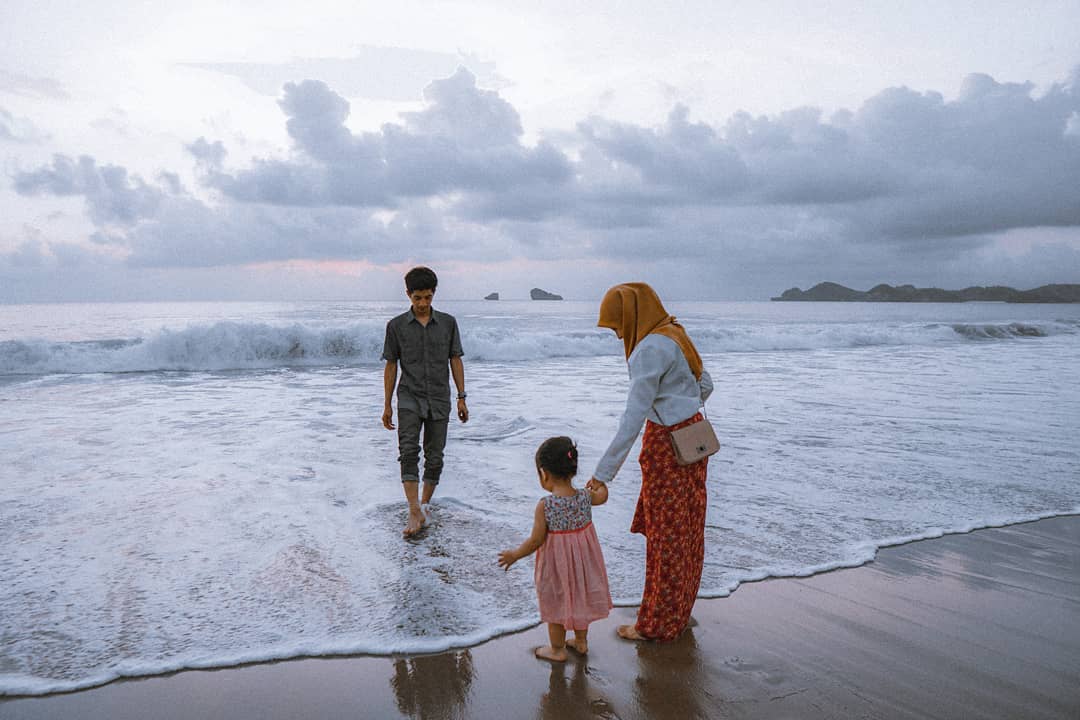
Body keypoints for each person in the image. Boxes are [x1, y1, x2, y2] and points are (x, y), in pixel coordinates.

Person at [585, 282, 714, 642]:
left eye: (616, 325)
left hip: (666, 444)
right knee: (688, 528)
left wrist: (602, 473)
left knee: (664, 536)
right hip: (694, 437)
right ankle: (679, 610)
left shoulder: (648, 349)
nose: (616, 333)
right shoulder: (674, 332)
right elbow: (706, 383)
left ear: (631, 315)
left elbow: (633, 416)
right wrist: (681, 401)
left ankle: (655, 623)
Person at [498, 436, 613, 662]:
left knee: (556, 604)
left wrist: (514, 555)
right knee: (581, 599)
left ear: (544, 474)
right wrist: (600, 482)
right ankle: (581, 642)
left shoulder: (545, 505)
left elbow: (535, 541)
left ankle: (557, 649)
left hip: (557, 566)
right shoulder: (585, 496)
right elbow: (603, 497)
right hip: (583, 565)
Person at [381, 266, 469, 537]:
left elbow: (455, 359)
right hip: (409, 397)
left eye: (428, 298)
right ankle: (412, 509)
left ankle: (424, 506)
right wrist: (386, 405)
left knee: (435, 457)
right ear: (408, 294)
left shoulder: (448, 323)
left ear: (434, 294)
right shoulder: (396, 326)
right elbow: (391, 366)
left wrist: (462, 397)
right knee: (408, 451)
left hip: (440, 399)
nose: (422, 304)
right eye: (417, 298)